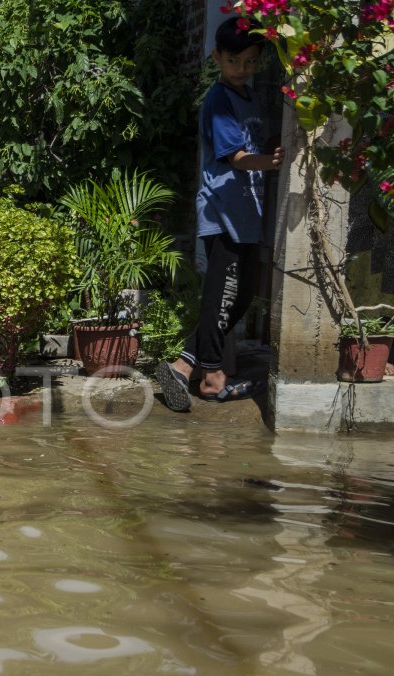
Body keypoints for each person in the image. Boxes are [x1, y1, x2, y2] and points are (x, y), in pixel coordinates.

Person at [156, 16, 284, 412]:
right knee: (224, 294)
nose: (242, 69)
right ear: (216, 57)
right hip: (223, 211)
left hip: (246, 212)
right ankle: (212, 378)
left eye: (250, 62)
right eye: (234, 61)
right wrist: (272, 161)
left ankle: (183, 364)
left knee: (240, 296)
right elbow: (237, 157)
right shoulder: (218, 100)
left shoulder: (248, 96)